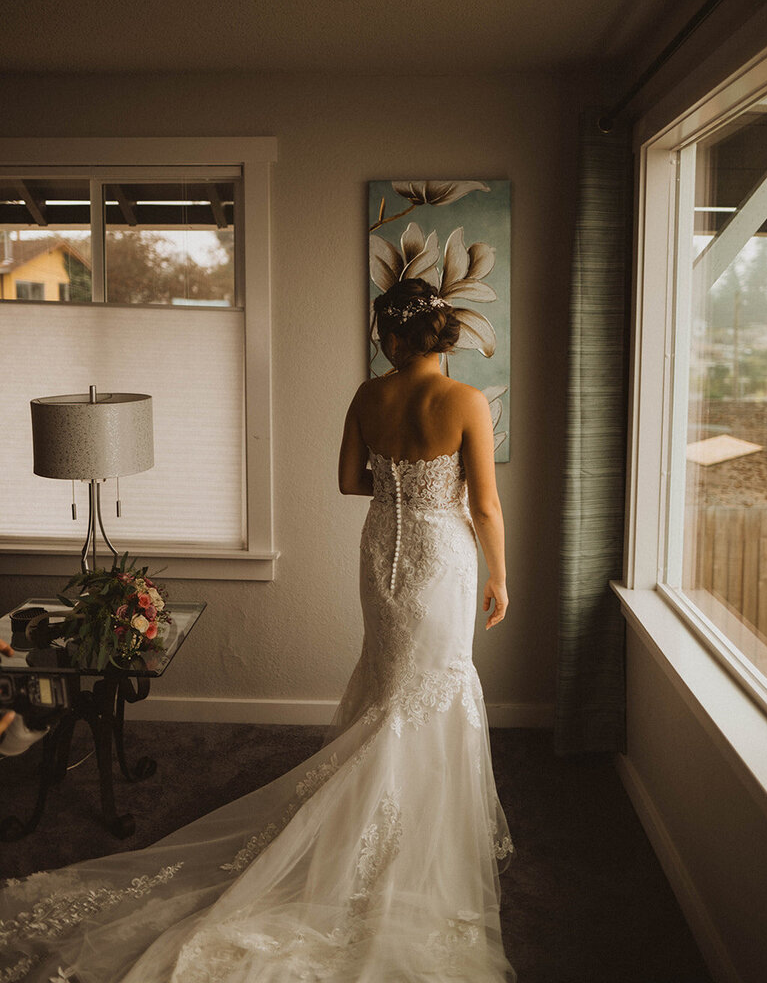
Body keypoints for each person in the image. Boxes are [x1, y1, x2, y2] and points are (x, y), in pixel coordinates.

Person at [0, 278, 515, 983]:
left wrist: (399, 489)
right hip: (440, 554)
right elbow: (484, 504)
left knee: (391, 682)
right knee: (432, 687)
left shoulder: (370, 395)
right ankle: (407, 841)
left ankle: (375, 829)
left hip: (381, 549)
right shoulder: (465, 401)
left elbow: (347, 481)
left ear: (392, 337)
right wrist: (499, 574)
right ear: (442, 331)